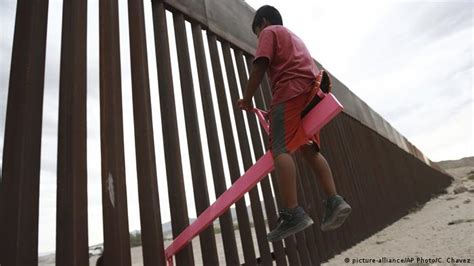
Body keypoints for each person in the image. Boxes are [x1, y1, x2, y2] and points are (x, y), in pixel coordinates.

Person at [237, 5, 352, 242]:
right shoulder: (296, 38)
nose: (259, 38)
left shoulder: (270, 32)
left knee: (280, 148)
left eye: (257, 32)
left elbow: (260, 66)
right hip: (311, 95)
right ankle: (334, 201)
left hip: (289, 92)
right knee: (309, 148)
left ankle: (292, 213)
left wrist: (247, 99)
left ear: (263, 22)